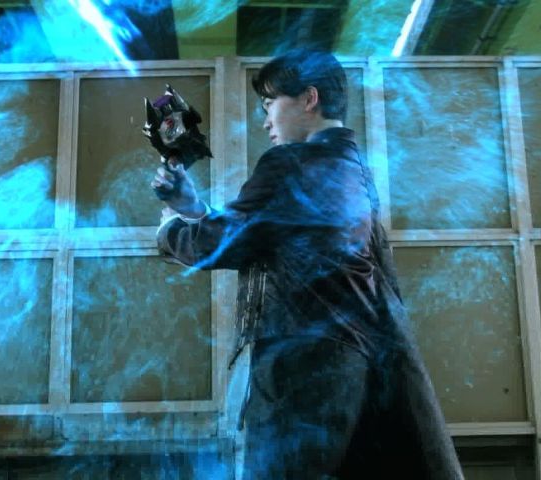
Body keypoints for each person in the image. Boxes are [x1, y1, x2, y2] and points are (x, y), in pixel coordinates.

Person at [151, 49, 463, 479]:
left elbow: (224, 243)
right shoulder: (351, 168)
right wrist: (195, 208)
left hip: (299, 366)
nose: (266, 121)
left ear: (308, 98)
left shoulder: (289, 163)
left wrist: (169, 228)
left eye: (270, 104)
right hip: (349, 365)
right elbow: (265, 233)